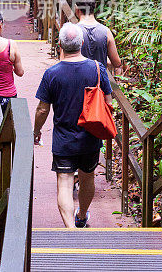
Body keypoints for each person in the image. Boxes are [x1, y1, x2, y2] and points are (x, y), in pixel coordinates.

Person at [33, 23, 113, 228]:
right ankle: (82, 216)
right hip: (90, 135)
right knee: (88, 178)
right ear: (82, 43)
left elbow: (42, 109)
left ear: (59, 44)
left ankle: (70, 230)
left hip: (63, 139)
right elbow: (109, 102)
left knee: (65, 182)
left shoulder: (52, 73)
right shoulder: (97, 68)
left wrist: (37, 131)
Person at [70, 0, 123, 76]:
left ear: (76, 7)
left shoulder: (72, 32)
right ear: (94, 6)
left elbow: (64, 62)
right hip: (98, 86)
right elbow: (117, 63)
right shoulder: (106, 32)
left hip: (77, 85)